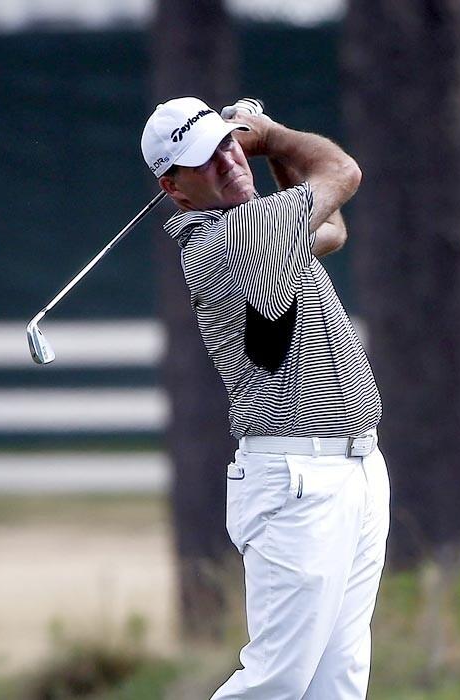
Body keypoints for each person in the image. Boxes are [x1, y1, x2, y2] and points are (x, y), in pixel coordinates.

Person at [140, 96, 388, 699]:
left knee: (338, 681)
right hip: (298, 481)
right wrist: (272, 134)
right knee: (277, 680)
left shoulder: (262, 223)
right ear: (176, 189)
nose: (230, 161)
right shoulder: (234, 235)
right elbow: (343, 174)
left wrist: (262, 151)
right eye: (208, 158)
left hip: (349, 471)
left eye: (229, 143)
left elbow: (332, 229)